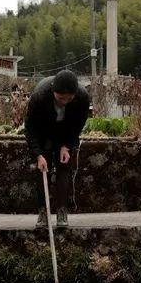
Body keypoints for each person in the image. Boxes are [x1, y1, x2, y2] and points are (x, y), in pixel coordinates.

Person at [24, 69, 90, 229]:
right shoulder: (39, 96)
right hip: (43, 131)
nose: (65, 102)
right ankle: (43, 212)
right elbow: (31, 128)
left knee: (64, 167)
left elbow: (77, 125)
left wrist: (67, 145)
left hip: (65, 132)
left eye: (69, 98)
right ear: (54, 91)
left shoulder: (82, 98)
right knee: (42, 170)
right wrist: (38, 154)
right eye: (61, 98)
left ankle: (62, 211)